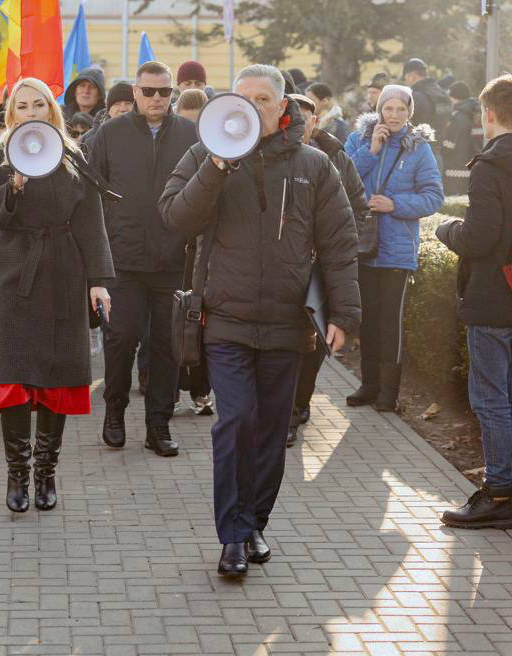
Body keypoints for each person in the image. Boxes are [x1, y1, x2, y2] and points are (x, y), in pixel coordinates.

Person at [159, 65, 360, 577]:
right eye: (241, 98)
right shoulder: (205, 153)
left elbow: (339, 245)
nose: (251, 107)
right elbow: (176, 216)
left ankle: (253, 525)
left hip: (287, 326)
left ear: (281, 107)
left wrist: (345, 314)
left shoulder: (315, 165)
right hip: (224, 320)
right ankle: (230, 537)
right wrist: (217, 167)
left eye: (262, 99)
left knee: (271, 432)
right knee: (235, 422)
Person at [0, 76, 115, 514]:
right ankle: (18, 471)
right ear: (11, 113)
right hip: (12, 273)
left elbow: (92, 221)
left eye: (39, 105)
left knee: (58, 375)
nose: (31, 112)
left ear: (52, 110)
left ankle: (46, 471)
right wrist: (12, 184)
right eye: (23, 106)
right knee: (12, 375)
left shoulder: (73, 156)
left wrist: (98, 279)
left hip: (63, 272)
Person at [436, 75, 512, 530]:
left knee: (490, 399)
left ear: (488, 114)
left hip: (490, 294)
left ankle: (499, 492)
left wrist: (444, 231)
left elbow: (480, 236)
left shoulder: (490, 166)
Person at [90, 60, 199, 457]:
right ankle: (114, 411)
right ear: (134, 92)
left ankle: (159, 425)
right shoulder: (109, 134)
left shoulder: (191, 133)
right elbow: (92, 193)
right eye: (148, 91)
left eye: (164, 92)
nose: (156, 98)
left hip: (173, 259)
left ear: (173, 94)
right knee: (121, 339)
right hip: (123, 259)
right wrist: (96, 258)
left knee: (167, 346)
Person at [344, 85, 444, 413]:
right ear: (379, 109)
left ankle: (389, 391)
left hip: (397, 249)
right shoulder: (359, 140)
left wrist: (394, 204)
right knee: (367, 320)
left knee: (390, 321)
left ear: (410, 112)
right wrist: (371, 150)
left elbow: (434, 196)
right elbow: (342, 181)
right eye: (390, 108)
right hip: (363, 245)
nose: (396, 115)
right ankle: (368, 384)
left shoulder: (419, 149)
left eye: (402, 109)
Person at [287, 94, 371, 447]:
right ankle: (286, 414)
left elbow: (357, 207)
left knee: (315, 345)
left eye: (306, 118)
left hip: (321, 270)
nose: (300, 124)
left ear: (315, 122)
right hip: (287, 268)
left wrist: (338, 247)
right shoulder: (276, 156)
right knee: (288, 345)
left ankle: (299, 402)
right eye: (293, 117)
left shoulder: (335, 157)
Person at [441, 80, 483, 191]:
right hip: (472, 170)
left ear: (453, 96)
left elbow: (448, 145)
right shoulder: (477, 115)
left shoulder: (456, 117)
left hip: (454, 172)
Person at [401, 58, 451, 137]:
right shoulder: (442, 93)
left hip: (420, 145)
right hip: (440, 145)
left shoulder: (416, 96)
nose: (405, 81)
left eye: (405, 78)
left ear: (412, 76)